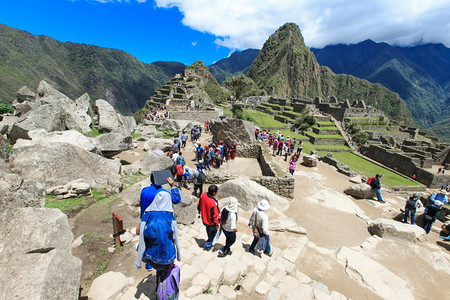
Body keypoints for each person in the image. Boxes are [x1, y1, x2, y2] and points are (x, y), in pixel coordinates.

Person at [136, 173, 181, 275]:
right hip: (160, 222)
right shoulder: (164, 193)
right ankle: (160, 263)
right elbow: (177, 199)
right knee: (161, 242)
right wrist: (173, 186)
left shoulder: (144, 191)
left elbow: (142, 205)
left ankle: (148, 263)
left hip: (146, 220)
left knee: (147, 241)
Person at [197, 185, 220, 251]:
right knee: (213, 233)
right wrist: (216, 223)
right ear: (214, 193)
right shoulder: (213, 202)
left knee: (208, 230)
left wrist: (199, 210)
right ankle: (208, 245)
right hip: (211, 222)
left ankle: (208, 238)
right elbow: (214, 215)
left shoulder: (203, 195)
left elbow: (199, 204)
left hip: (204, 218)